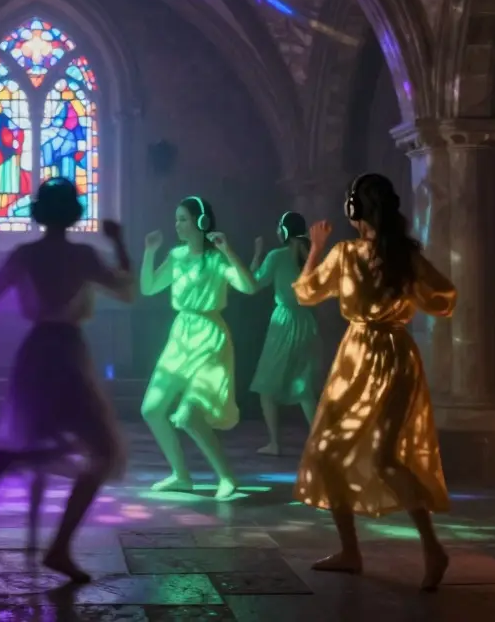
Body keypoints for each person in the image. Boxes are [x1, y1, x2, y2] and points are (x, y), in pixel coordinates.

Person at [292, 173, 455, 591]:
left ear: (354, 211)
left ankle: (421, 550)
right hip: (394, 355)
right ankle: (358, 551)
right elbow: (443, 297)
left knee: (342, 453)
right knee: (367, 455)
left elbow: (306, 293)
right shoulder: (403, 256)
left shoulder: (346, 254)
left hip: (361, 354)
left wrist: (314, 249)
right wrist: (405, 294)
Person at [0, 177, 133, 584]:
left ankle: (14, 460)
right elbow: (127, 290)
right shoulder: (83, 255)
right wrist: (118, 242)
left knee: (53, 439)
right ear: (74, 213)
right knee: (105, 451)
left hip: (35, 352)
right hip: (66, 352)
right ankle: (59, 546)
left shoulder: (26, 254)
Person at [140, 196, 255, 499]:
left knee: (189, 416)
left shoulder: (217, 260)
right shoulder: (177, 257)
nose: (177, 225)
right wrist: (149, 253)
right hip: (181, 336)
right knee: (151, 409)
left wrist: (227, 250)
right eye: (176, 219)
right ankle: (181, 475)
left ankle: (227, 477)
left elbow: (249, 286)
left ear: (200, 222)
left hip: (210, 336)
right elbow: (149, 288)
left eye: (183, 219)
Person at [245, 212, 322, 455]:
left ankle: (274, 443)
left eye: (279, 227)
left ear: (285, 230)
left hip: (284, 321)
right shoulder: (310, 256)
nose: (277, 231)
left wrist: (256, 254)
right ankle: (321, 442)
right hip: (307, 321)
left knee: (266, 385)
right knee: (303, 386)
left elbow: (253, 284)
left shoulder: (277, 256)